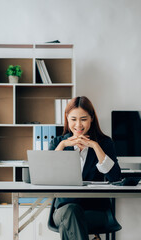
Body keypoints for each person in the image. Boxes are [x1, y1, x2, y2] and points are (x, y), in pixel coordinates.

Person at [49, 96, 121, 240]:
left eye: (83, 119)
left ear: (92, 118)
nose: (78, 125)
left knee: (69, 224)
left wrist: (95, 146)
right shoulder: (57, 143)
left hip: (96, 211)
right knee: (70, 213)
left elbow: (115, 177)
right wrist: (62, 146)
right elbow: (48, 176)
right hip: (64, 209)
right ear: (67, 119)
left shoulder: (105, 143)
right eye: (73, 119)